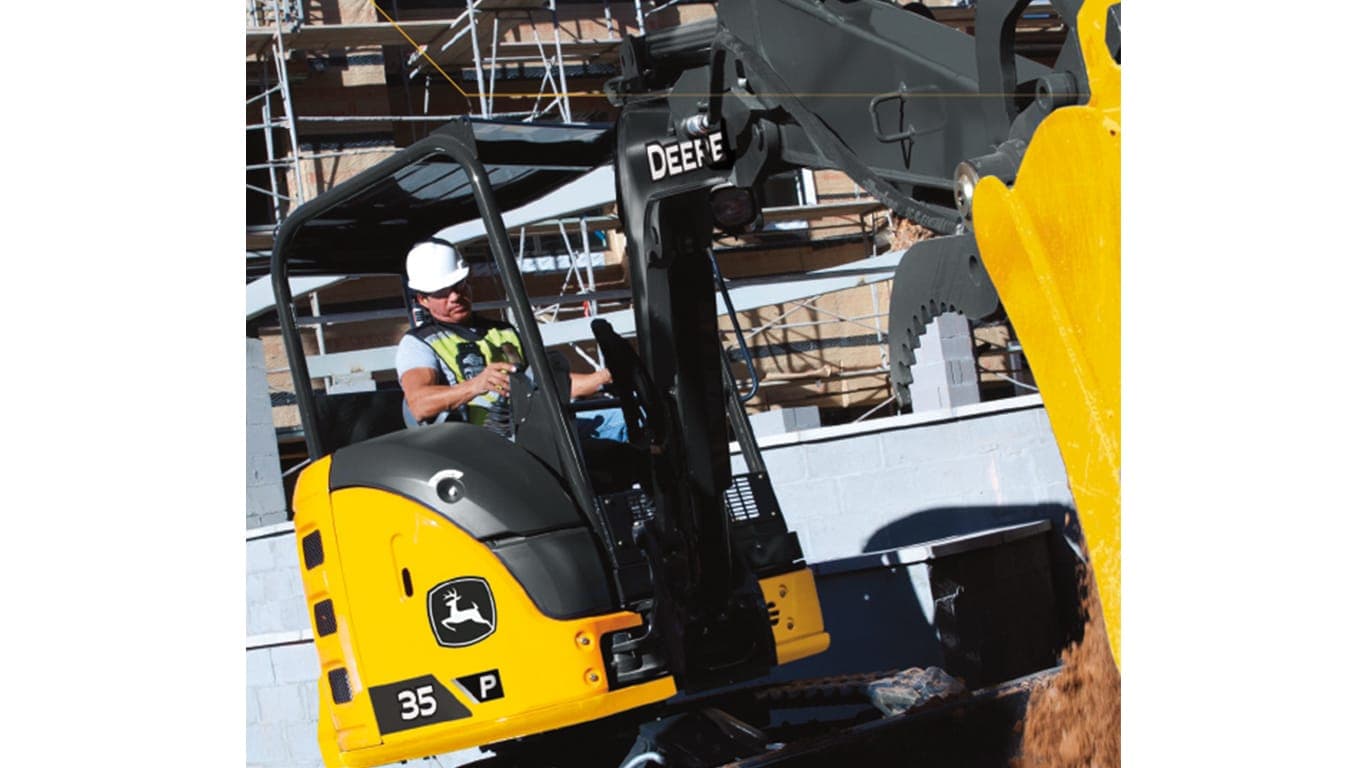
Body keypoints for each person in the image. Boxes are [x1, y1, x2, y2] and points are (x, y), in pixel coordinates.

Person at [396, 240, 619, 439]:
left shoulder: (503, 331)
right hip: (482, 447)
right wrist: (475, 385)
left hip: (535, 429)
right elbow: (419, 404)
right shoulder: (419, 343)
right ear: (423, 299)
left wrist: (603, 378)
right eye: (441, 293)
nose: (454, 296)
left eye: (459, 286)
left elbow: (544, 383)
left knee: (622, 419)